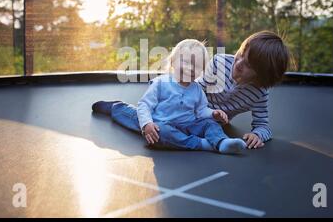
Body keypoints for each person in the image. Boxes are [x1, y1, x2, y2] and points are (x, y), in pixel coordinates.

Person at [93, 31, 290, 150]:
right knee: (146, 123)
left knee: (212, 128)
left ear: (261, 75)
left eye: (247, 65)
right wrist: (168, 87)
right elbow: (193, 88)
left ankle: (222, 144)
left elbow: (263, 125)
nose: (238, 63)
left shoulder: (259, 93)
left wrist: (258, 135)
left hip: (205, 120)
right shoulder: (221, 62)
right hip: (181, 107)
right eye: (240, 54)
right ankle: (117, 108)